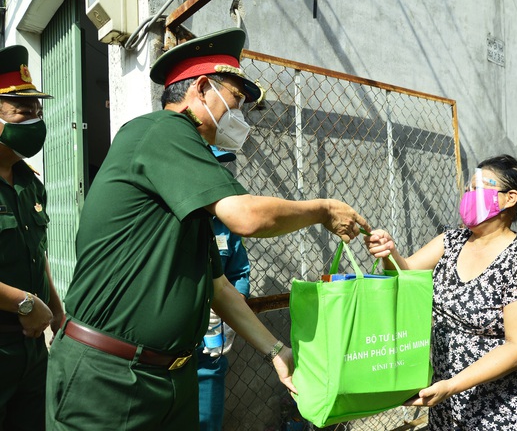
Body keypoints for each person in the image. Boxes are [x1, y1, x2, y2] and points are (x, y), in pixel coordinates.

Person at [45, 27, 370, 430]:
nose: (239, 116)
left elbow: (216, 286)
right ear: (201, 88)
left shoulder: (185, 193)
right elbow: (247, 216)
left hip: (168, 378)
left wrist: (275, 351)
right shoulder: (160, 131)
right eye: (236, 100)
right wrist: (322, 209)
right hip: (109, 378)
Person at [365, 154, 517, 430]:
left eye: (478, 189)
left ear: (509, 198)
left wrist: (452, 385)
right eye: (467, 189)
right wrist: (388, 252)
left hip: (498, 407)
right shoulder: (450, 241)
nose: (468, 195)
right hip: (446, 402)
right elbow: (405, 276)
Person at [0, 45, 64, 431]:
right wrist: (26, 304)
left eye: (37, 110)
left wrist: (55, 311)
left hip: (30, 350)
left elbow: (37, 255)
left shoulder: (28, 183)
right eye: (22, 110)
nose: (35, 120)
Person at [198, 147, 251, 431]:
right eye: (210, 163)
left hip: (210, 346)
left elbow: (239, 272)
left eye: (220, 166)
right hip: (165, 350)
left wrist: (232, 312)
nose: (217, 173)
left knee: (208, 420)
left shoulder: (225, 225)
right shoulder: (166, 216)